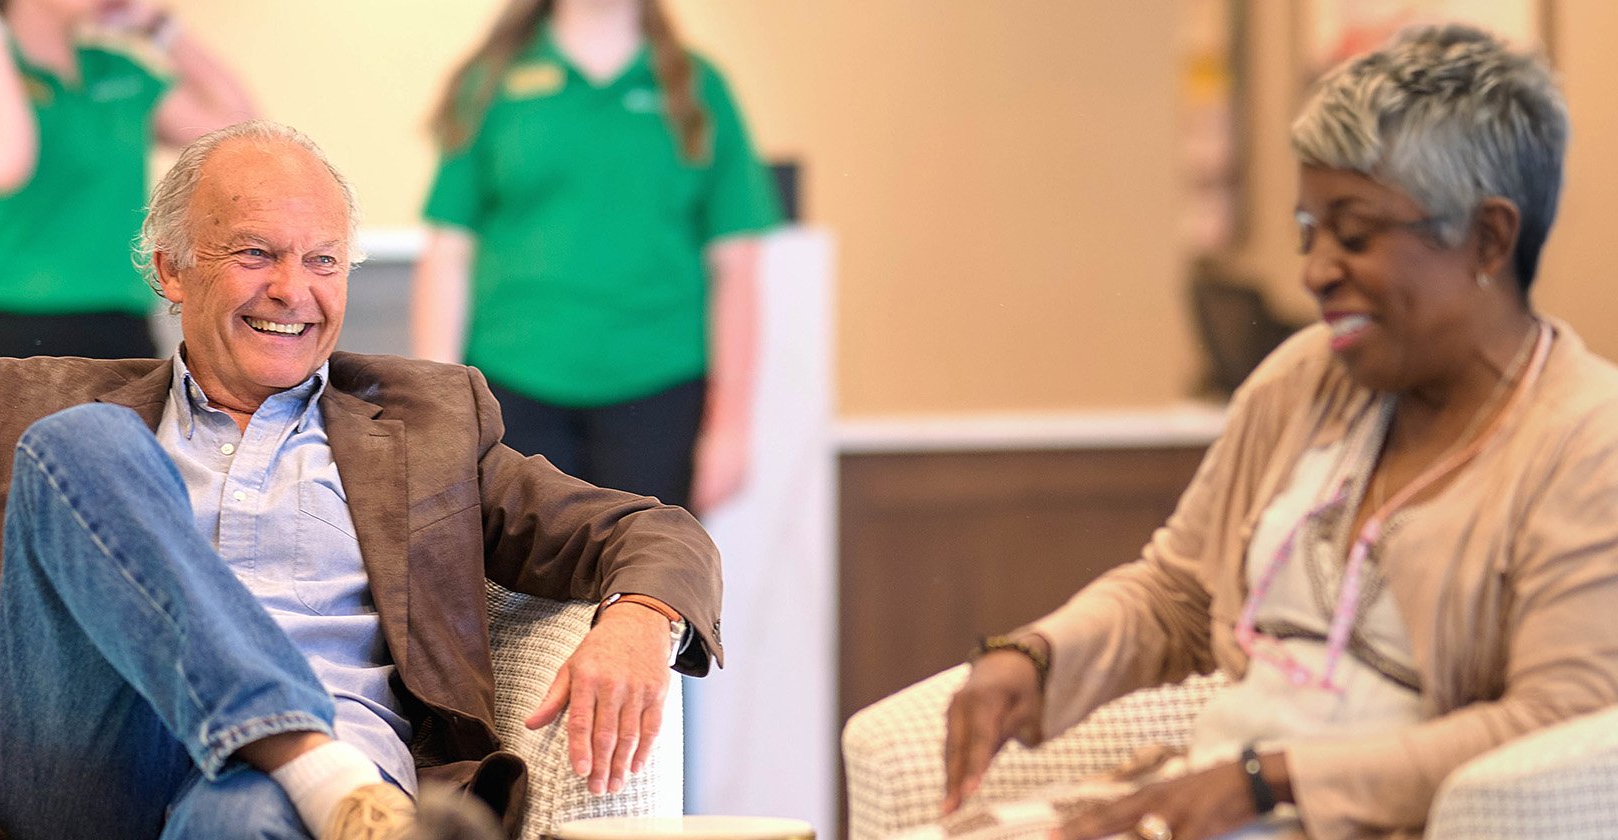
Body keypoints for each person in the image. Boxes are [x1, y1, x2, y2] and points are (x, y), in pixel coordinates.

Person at [0, 121, 722, 840]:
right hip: (91, 772)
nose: (295, 291)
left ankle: (306, 781)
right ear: (169, 266)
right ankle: (313, 764)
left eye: (324, 260)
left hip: (315, 802)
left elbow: (649, 531)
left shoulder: (429, 427)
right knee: (85, 445)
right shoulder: (30, 402)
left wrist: (637, 617)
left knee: (237, 814)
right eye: (255, 254)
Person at [939, 25, 1618, 840]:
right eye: (1309, 231)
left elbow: (1554, 728)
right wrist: (1036, 655)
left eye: (1355, 234)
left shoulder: (1586, 440)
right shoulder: (1307, 379)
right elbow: (1177, 594)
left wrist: (1267, 782)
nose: (1316, 271)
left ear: (1488, 239)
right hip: (1217, 806)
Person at [411, 0, 781, 513]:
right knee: (525, 589)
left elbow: (738, 268)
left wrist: (731, 428)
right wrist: (440, 413)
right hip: (511, 386)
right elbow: (448, 254)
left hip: (659, 390)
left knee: (642, 583)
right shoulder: (491, 82)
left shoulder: (697, 88)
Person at [0, 0, 255, 428]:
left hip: (120, 337)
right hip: (6, 340)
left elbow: (241, 138)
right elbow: (1, 164)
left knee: (130, 492)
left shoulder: (116, 70)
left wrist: (162, 29)